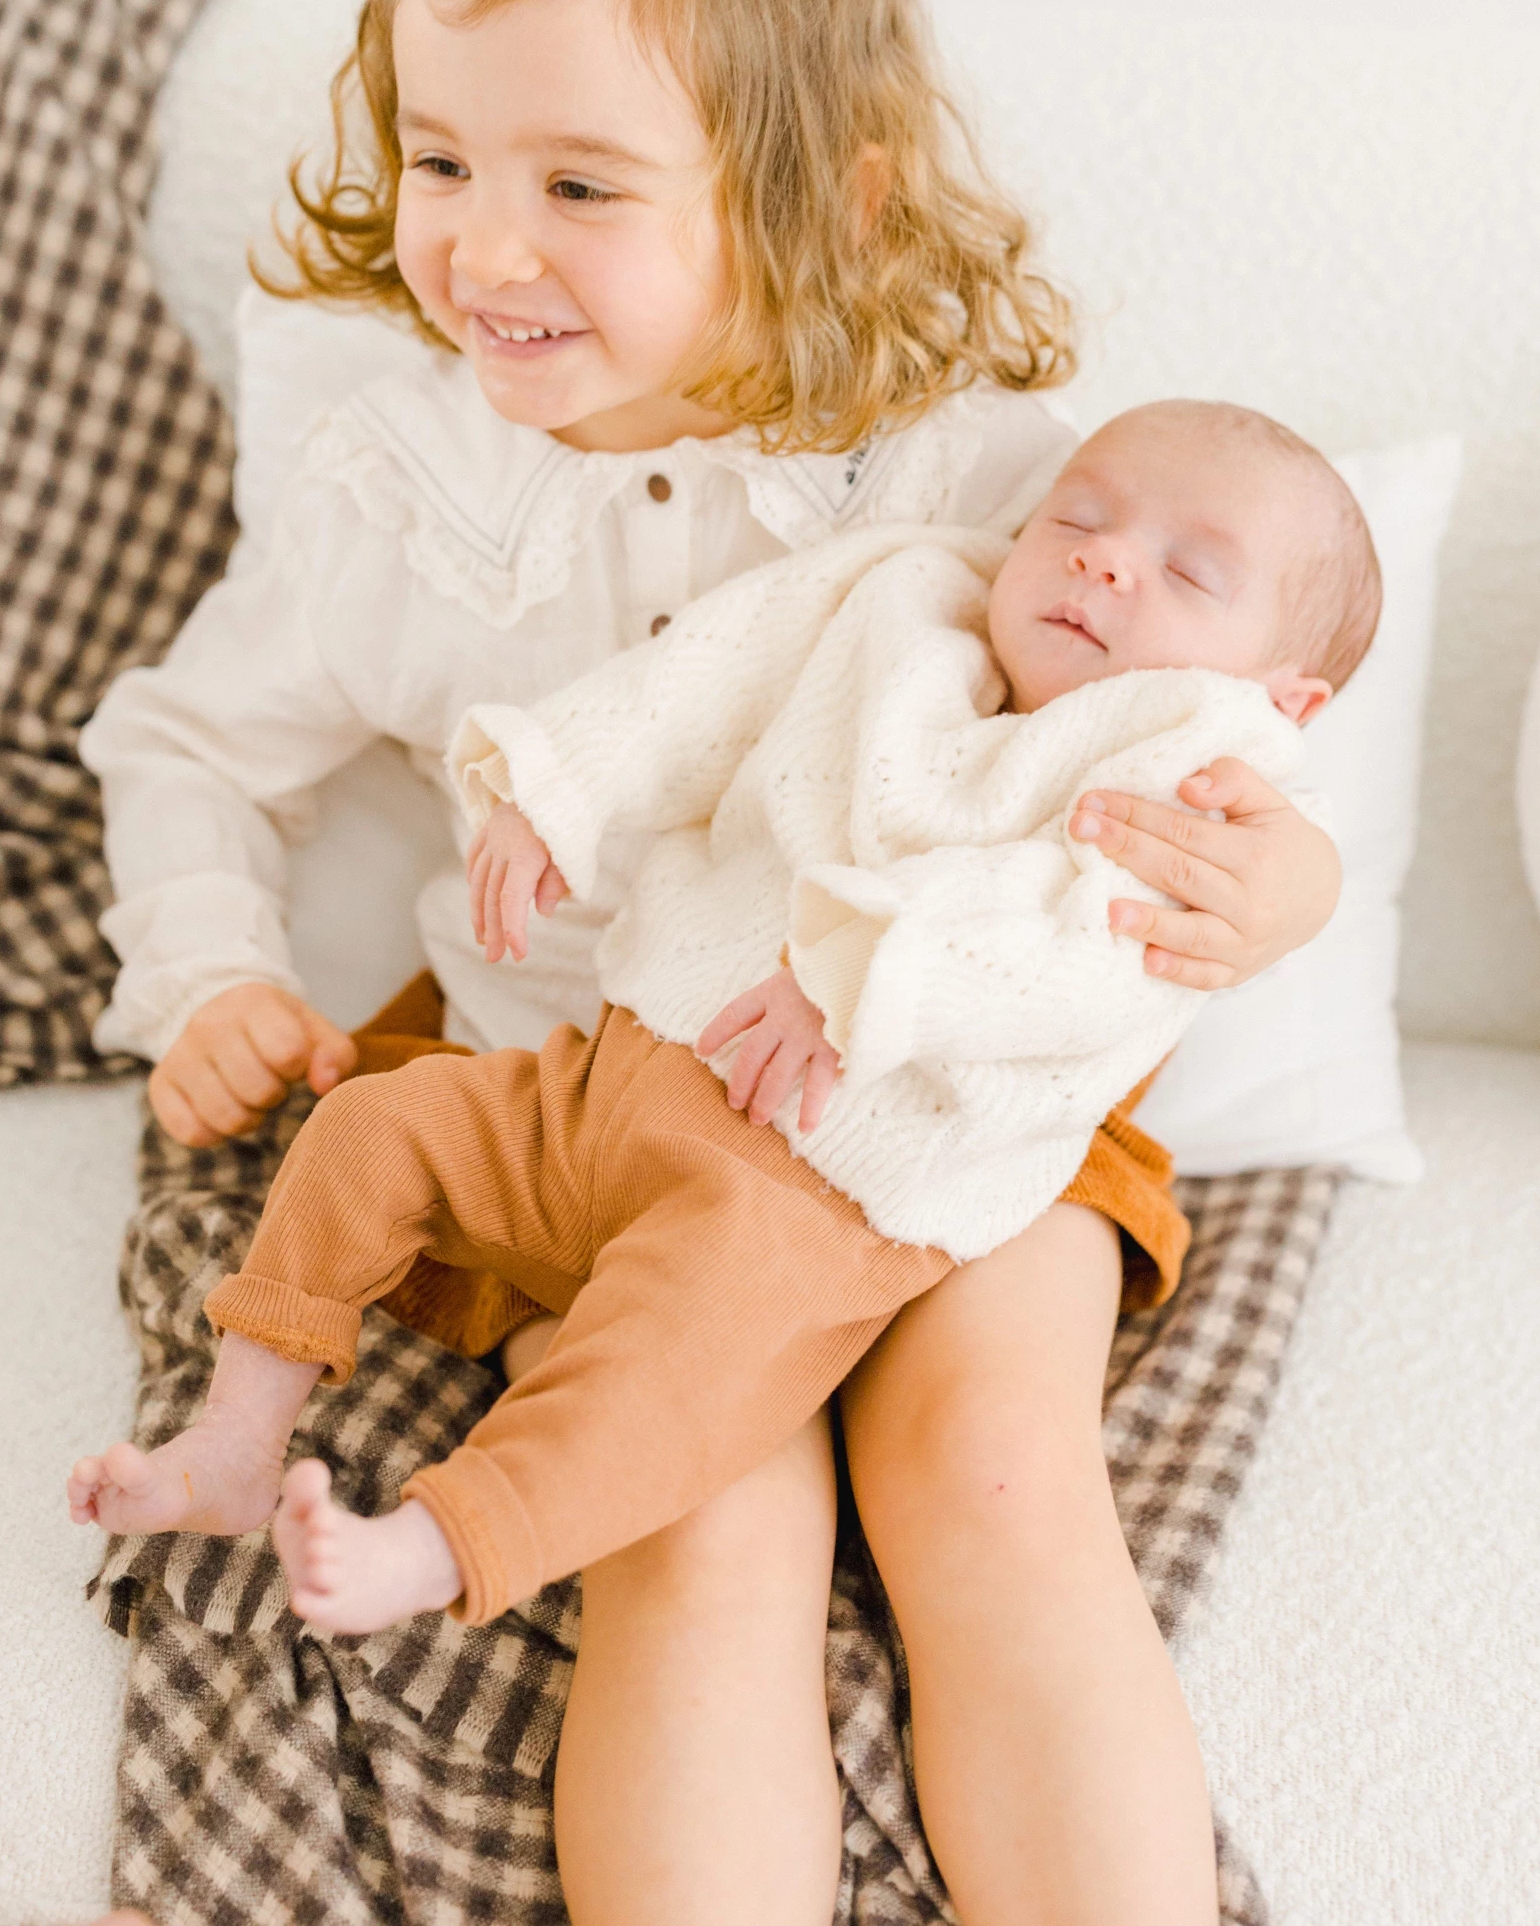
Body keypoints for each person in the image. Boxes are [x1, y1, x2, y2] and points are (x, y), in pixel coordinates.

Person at [77, 0, 1343, 1926]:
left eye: (578, 182)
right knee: (693, 1511)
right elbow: (187, 738)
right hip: (604, 1112)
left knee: (997, 1479)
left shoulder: (968, 456)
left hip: (961, 1106)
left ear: (815, 194)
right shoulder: (400, 487)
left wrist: (1278, 889)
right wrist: (210, 971)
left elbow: (1201, 727)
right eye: (443, 157)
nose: (485, 245)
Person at [69, 399, 1378, 1654]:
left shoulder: (1186, 792)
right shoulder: (909, 600)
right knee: (372, 1126)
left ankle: (443, 1543)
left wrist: (856, 978)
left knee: (661, 1381)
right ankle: (237, 1435)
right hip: (599, 1088)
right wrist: (558, 787)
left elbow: (1068, 948)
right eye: (1077, 514)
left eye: (1187, 574)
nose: (1101, 557)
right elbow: (712, 670)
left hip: (802, 1196)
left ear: (1283, 700)